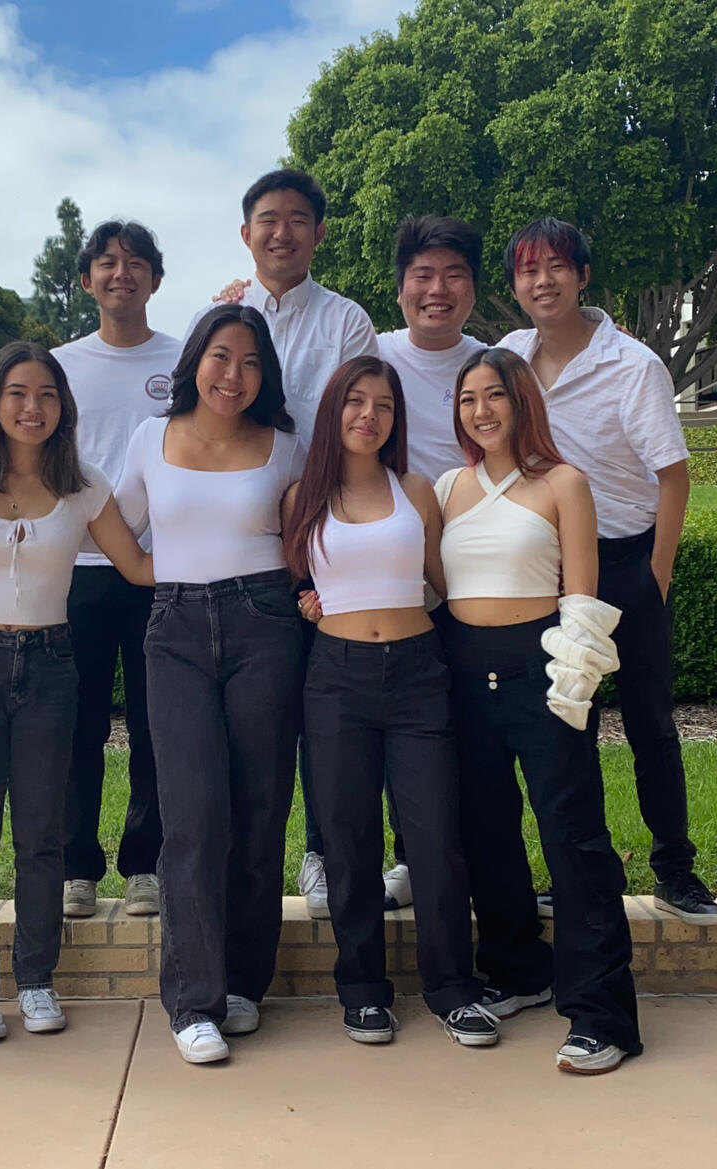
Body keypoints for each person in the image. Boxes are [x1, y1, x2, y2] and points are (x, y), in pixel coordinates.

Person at [495, 217, 717, 926]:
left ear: (582, 275)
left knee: (651, 724)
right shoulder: (509, 358)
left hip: (626, 561)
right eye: (528, 270)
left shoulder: (633, 365)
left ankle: (675, 869)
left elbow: (673, 477)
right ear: (514, 285)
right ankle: (579, 874)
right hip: (553, 569)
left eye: (556, 266)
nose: (542, 281)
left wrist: (654, 581)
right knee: (568, 728)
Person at [0, 341, 153, 1044]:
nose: (33, 407)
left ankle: (35, 979)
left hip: (52, 663)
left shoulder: (83, 484)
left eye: (47, 395)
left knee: (40, 838)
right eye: (18, 393)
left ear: (64, 406)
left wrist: (232, 549)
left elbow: (138, 566)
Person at [437, 346, 641, 1075]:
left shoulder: (564, 483)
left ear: (522, 401)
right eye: (468, 398)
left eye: (495, 394)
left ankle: (601, 1014)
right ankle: (518, 968)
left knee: (573, 838)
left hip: (544, 669)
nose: (481, 410)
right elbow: (432, 585)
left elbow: (581, 597)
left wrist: (573, 689)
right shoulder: (447, 488)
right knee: (484, 831)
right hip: (463, 673)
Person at [286, 356, 498, 1048]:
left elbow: (443, 582)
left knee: (435, 836)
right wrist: (307, 599)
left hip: (416, 672)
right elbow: (294, 581)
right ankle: (362, 990)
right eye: (355, 401)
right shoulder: (302, 497)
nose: (368, 415)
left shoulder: (415, 490)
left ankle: (452, 988)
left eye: (382, 405)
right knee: (347, 839)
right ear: (334, 411)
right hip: (335, 678)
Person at [116, 303, 306, 1065]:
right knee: (191, 814)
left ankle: (242, 983)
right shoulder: (149, 438)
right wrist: (146, 571)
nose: (234, 374)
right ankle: (193, 1000)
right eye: (221, 356)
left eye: (251, 362)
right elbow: (113, 520)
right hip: (176, 630)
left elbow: (307, 540)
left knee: (259, 809)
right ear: (195, 360)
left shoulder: (284, 446)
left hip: (265, 624)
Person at [198, 167, 378, 917]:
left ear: (318, 233)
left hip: (327, 538)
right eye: (267, 220)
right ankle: (231, 862)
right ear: (246, 233)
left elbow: (360, 421)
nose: (281, 232)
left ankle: (322, 853)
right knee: (254, 719)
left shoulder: (346, 322)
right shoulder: (221, 317)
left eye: (297, 219)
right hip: (242, 543)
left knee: (330, 707)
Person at [54, 221, 181, 920]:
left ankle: (146, 865)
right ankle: (75, 866)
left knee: (155, 723)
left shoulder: (185, 360)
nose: (120, 273)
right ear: (87, 280)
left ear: (155, 280)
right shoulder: (60, 365)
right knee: (76, 723)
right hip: (73, 566)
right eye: (106, 262)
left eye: (135, 263)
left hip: (160, 567)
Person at [373, 213, 489, 910]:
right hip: (392, 571)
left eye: (454, 275)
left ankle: (476, 862)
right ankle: (410, 858)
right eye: (422, 275)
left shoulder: (495, 362)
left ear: (473, 288)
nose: (437, 290)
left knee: (469, 725)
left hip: (477, 568)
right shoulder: (372, 352)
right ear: (400, 289)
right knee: (401, 723)